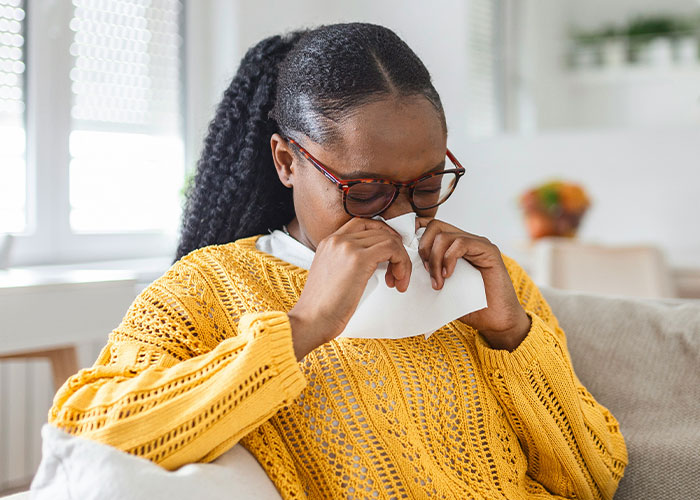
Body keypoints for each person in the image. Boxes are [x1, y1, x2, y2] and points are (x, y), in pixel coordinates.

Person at [48, 23, 628, 499]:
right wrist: (301, 329)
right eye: (365, 190)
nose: (401, 215)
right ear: (286, 161)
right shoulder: (210, 287)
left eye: (427, 183)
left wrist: (513, 337)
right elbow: (88, 436)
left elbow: (597, 480)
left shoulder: (487, 282)